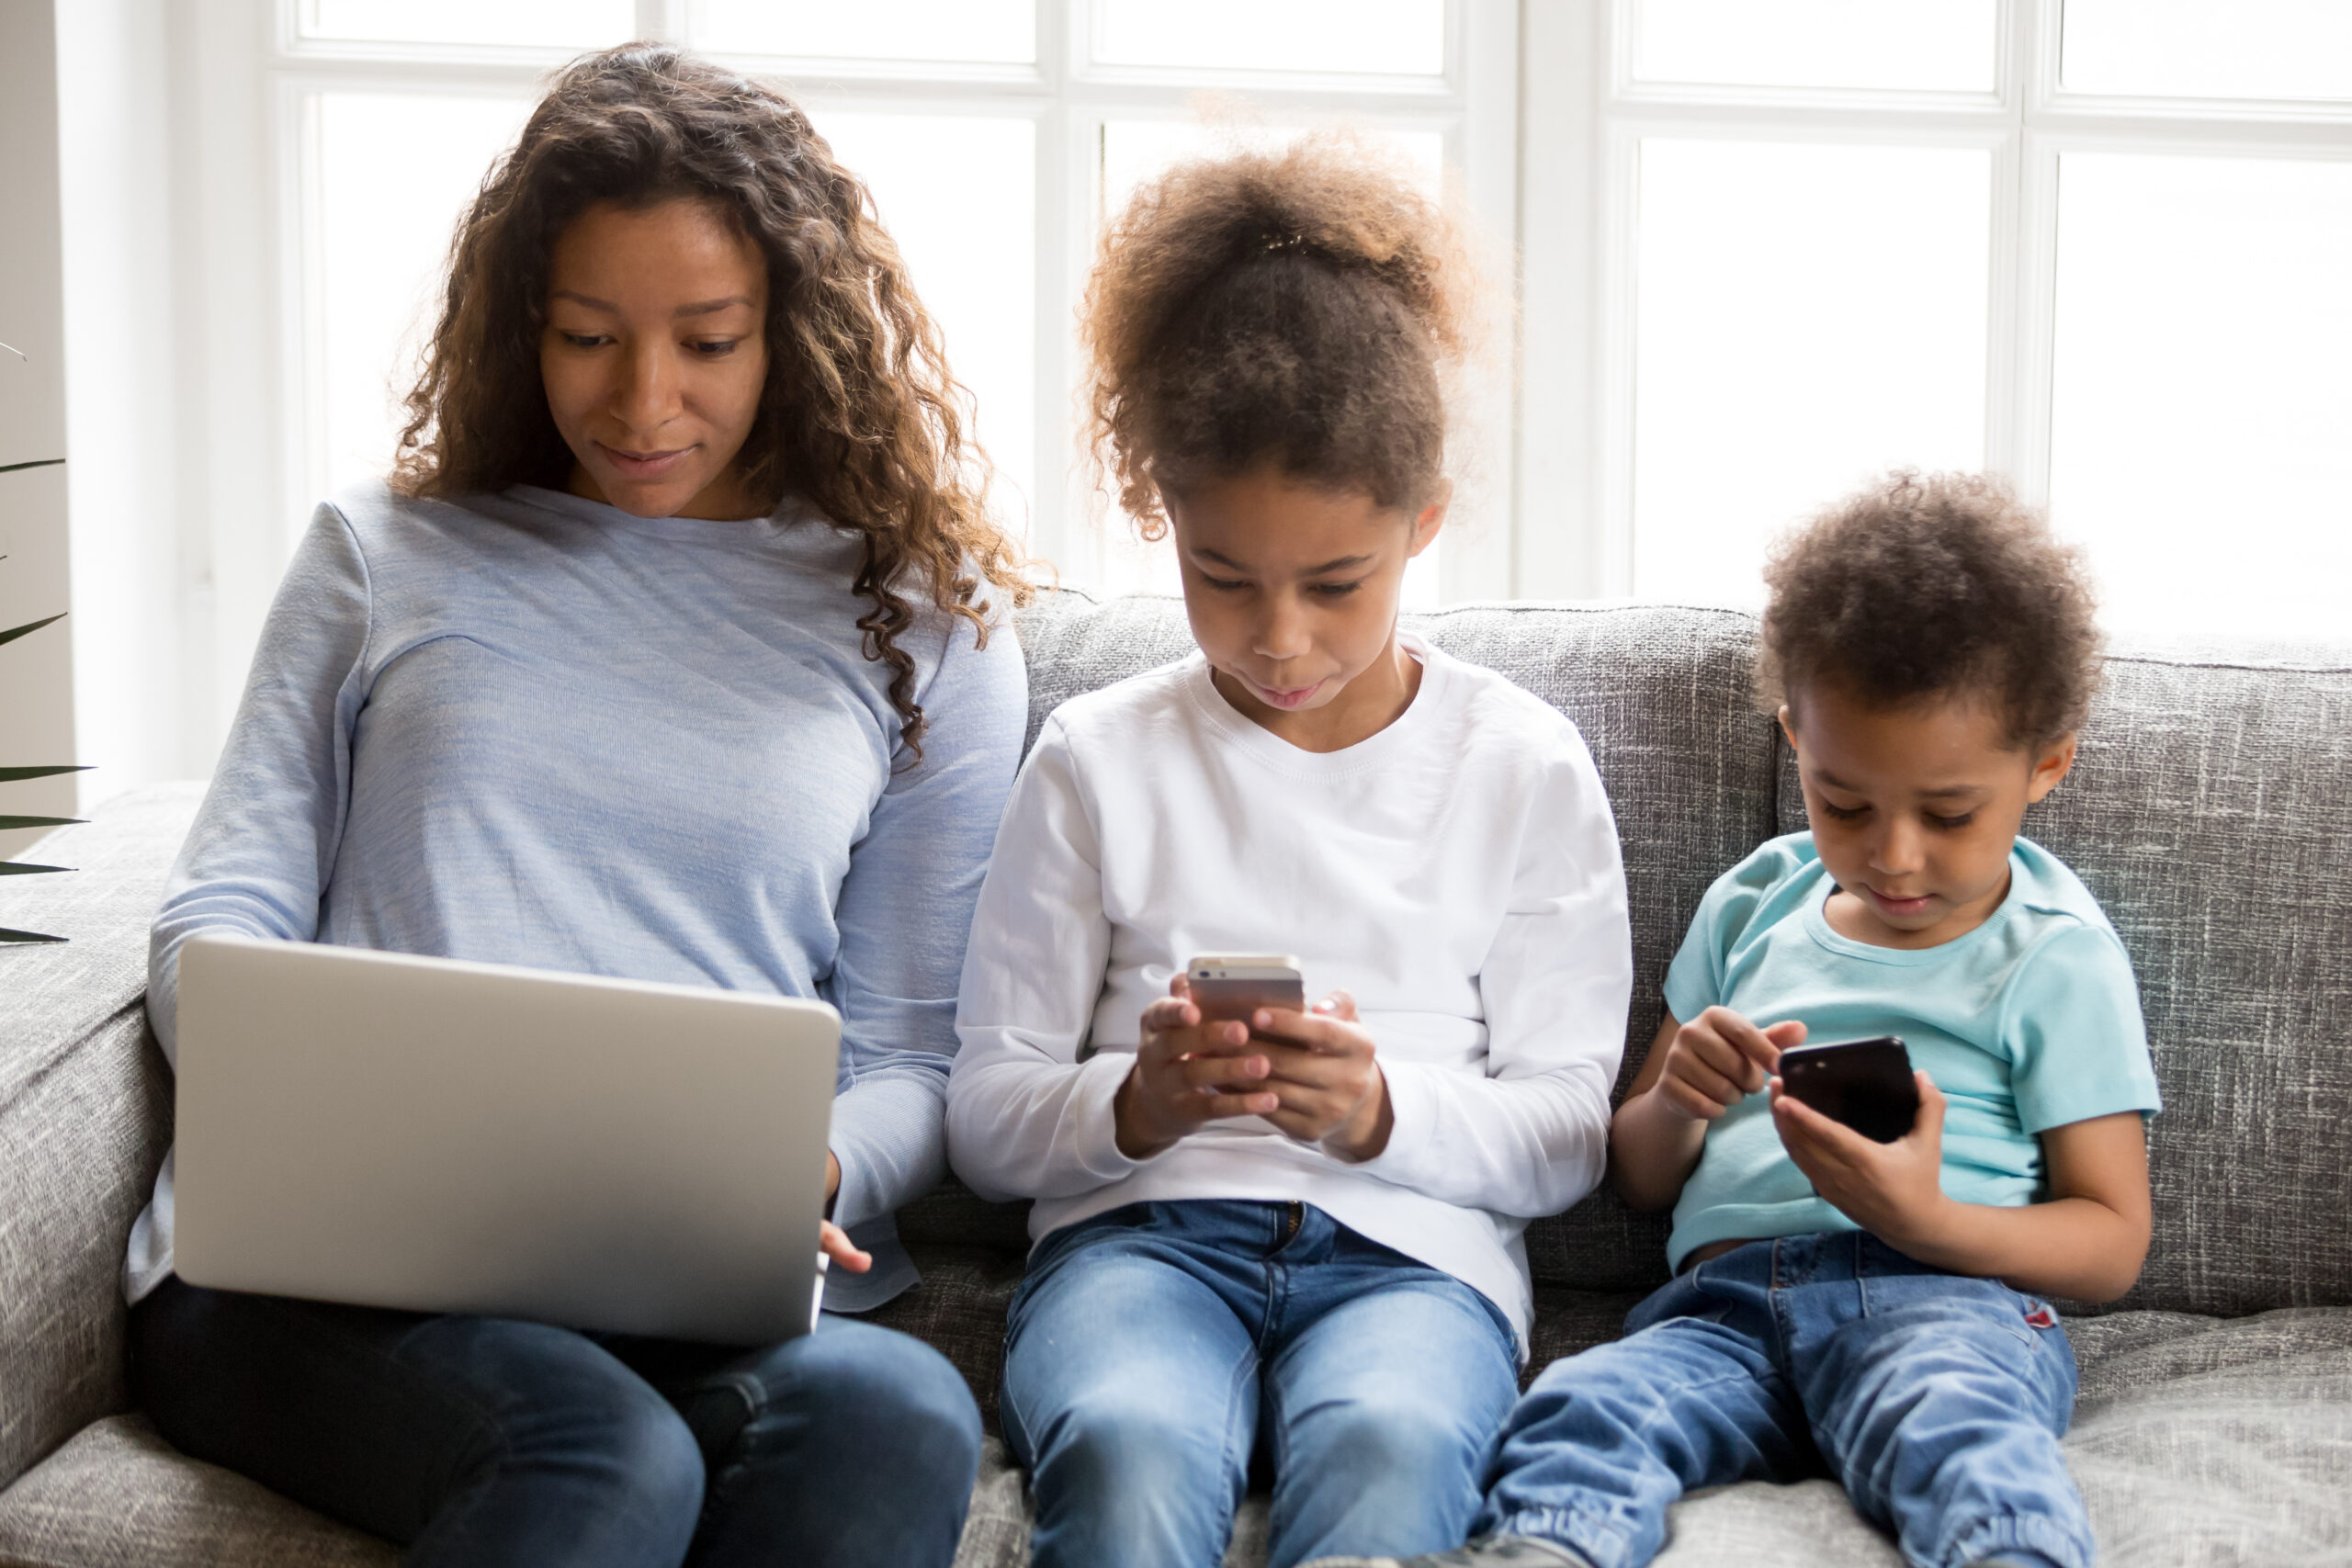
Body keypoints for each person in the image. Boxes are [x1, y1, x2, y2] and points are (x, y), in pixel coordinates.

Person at [127, 44, 1026, 1568]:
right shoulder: (381, 551)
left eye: (709, 341)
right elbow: (219, 913)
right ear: (520, 327)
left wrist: (801, 1170)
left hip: (673, 1278)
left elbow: (906, 1052)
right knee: (597, 1451)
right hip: (319, 1271)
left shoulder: (927, 620)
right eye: (589, 336)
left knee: (902, 1412)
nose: (644, 401)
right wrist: (320, 1085)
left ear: (794, 334)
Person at [947, 135, 1635, 1568]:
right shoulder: (1095, 755)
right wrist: (1135, 1104)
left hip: (1414, 1256)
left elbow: (1572, 1128)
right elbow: (987, 1114)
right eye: (1220, 576)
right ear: (1166, 519)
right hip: (1138, 1244)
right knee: (1131, 1447)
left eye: (1337, 584)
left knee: (1389, 1446)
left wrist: (1384, 1110)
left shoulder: (1520, 764)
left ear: (1422, 524)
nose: (1279, 638)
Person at [1318, 471, 2162, 1568]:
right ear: (1793, 740)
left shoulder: (2052, 951)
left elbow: (2111, 1243)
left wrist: (1929, 1222)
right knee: (1580, 1411)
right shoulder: (1755, 900)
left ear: (2045, 764)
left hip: (1943, 1302)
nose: (1892, 853)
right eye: (1842, 801)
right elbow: (1641, 1175)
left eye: (1948, 814)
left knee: (1963, 1439)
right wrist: (1675, 1098)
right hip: (1718, 1306)